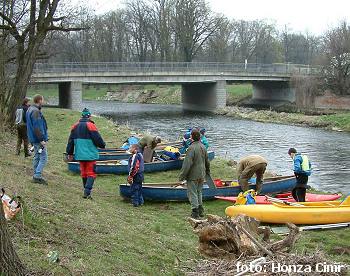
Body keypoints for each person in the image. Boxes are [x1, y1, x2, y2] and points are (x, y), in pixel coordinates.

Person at [66, 108, 106, 199]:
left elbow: (70, 141)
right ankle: (87, 192)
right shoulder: (91, 125)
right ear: (89, 116)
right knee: (91, 173)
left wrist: (69, 152)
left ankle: (86, 190)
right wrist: (102, 145)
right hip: (90, 154)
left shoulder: (75, 126)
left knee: (84, 173)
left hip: (79, 154)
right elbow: (97, 139)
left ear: (82, 116)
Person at [179, 129, 210, 219]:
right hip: (202, 174)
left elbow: (187, 164)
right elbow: (207, 161)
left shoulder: (191, 148)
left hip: (193, 175)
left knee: (192, 193)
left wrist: (182, 176)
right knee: (199, 192)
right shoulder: (203, 147)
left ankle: (195, 212)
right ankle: (201, 211)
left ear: (192, 137)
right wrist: (207, 172)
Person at [26, 94, 48, 185]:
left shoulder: (29, 109)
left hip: (32, 138)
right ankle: (37, 175)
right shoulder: (35, 112)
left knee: (37, 156)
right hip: (38, 139)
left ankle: (36, 173)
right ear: (39, 100)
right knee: (43, 157)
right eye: (42, 99)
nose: (43, 101)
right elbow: (37, 127)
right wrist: (42, 139)